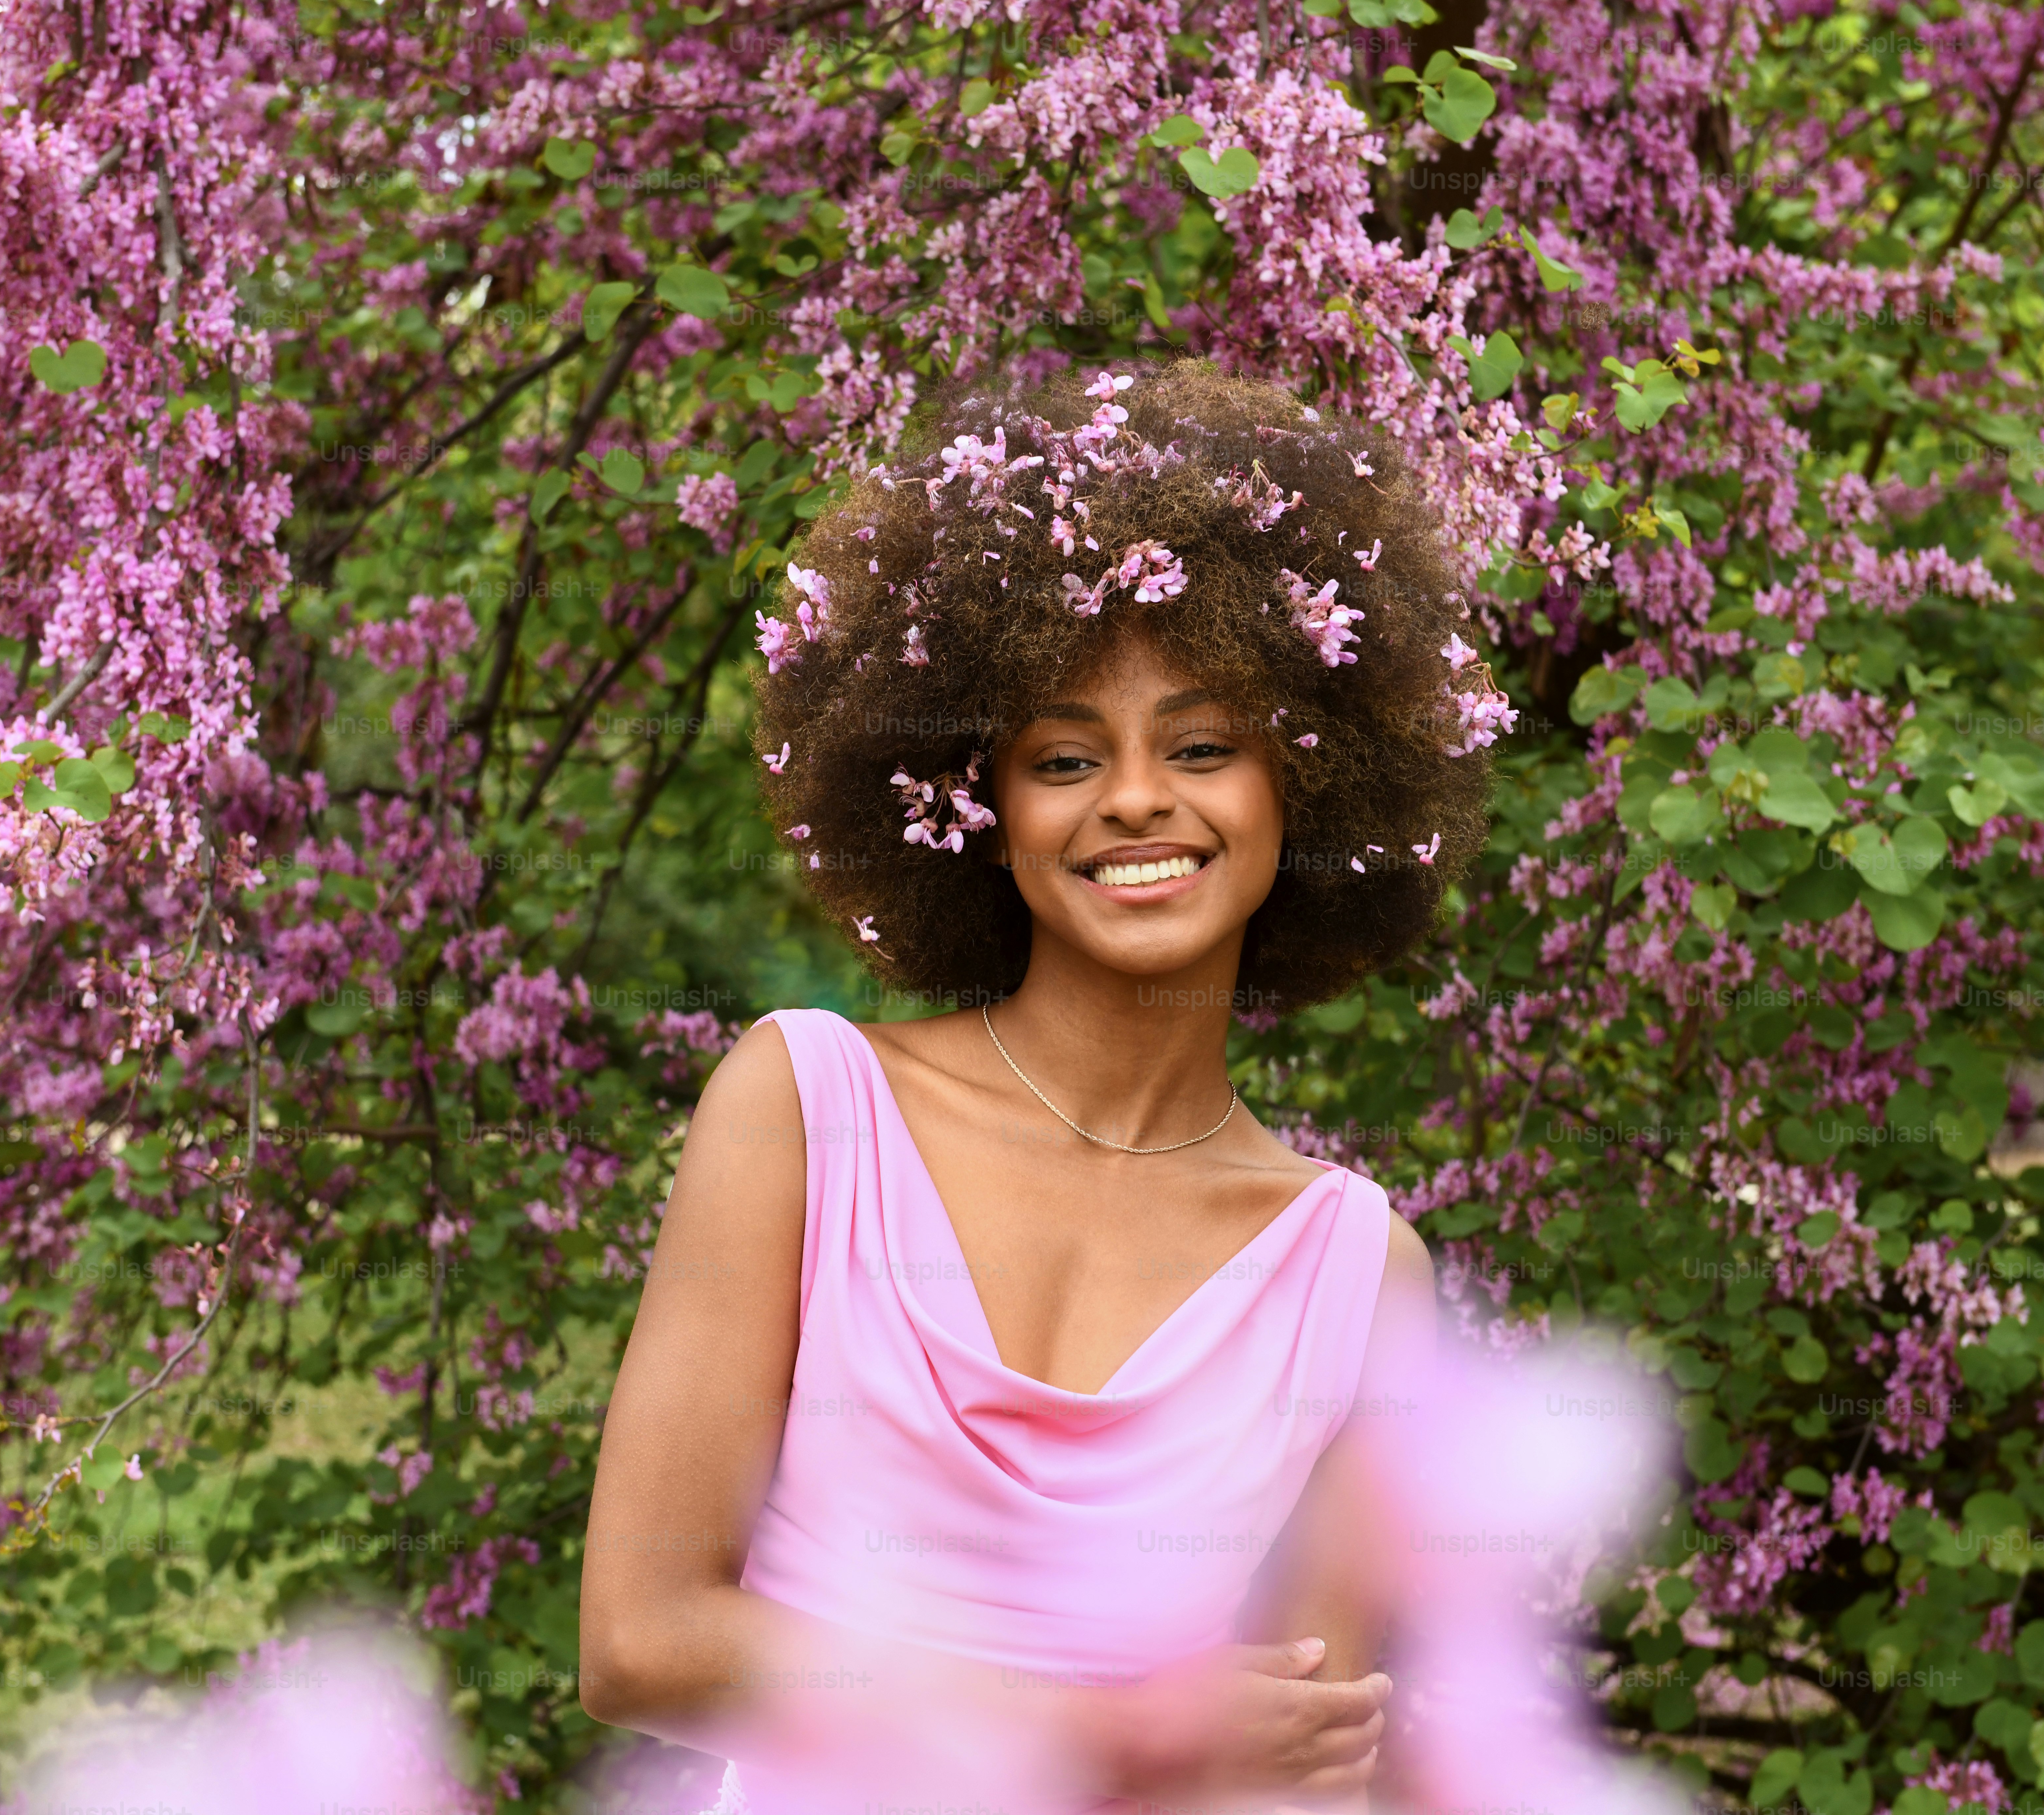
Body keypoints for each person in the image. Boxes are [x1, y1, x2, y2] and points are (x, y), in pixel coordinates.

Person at [579, 358, 1506, 1814]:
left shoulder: (1352, 1268)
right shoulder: (806, 1110)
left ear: (1303, 792)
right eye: (1067, 755)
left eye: (1204, 745)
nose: (1137, 796)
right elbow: (641, 1641)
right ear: (980, 810)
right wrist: (1104, 1726)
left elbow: (1288, 1769)